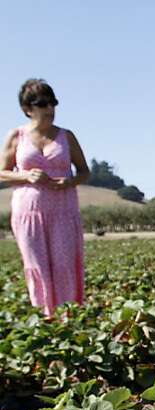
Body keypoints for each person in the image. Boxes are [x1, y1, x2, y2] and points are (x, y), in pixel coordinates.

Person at [0, 79, 89, 316]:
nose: (49, 109)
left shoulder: (66, 136)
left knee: (64, 266)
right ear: (28, 109)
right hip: (28, 214)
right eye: (42, 104)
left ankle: (68, 318)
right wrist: (26, 176)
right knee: (36, 266)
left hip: (63, 212)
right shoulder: (16, 136)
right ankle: (44, 320)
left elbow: (84, 171)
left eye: (52, 103)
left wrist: (69, 181)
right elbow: (2, 173)